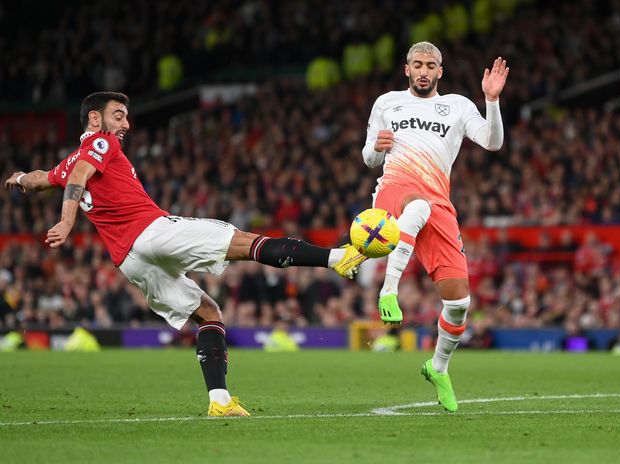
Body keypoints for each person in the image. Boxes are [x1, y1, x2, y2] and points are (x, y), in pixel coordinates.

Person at [4, 91, 366, 417]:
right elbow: (79, 176)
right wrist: (66, 221)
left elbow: (43, 178)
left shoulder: (70, 160)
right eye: (118, 115)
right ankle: (338, 259)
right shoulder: (100, 144)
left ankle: (220, 402)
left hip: (130, 260)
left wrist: (20, 178)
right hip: (152, 232)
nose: (126, 123)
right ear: (95, 119)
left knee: (209, 313)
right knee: (244, 242)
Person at [361, 42, 508, 412]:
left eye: (430, 65)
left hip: (439, 201)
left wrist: (491, 100)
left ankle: (438, 366)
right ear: (406, 69)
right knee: (417, 207)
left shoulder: (457, 105)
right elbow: (368, 158)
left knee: (459, 302)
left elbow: (492, 142)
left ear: (440, 71)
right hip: (395, 187)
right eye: (417, 64)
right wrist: (377, 148)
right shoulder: (386, 103)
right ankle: (388, 291)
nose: (423, 70)